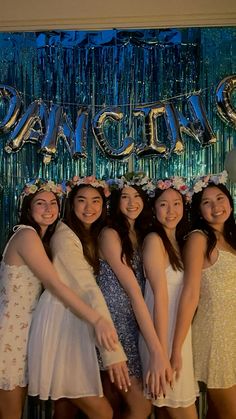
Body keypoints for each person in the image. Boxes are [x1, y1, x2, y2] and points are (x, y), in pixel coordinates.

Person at [28, 176, 130, 419]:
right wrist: (113, 353)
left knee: (65, 408)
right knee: (103, 412)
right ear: (71, 205)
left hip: (74, 321)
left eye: (96, 201)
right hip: (62, 324)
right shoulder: (65, 237)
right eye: (81, 200)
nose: (89, 207)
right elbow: (87, 288)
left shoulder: (88, 235)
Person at [96, 172, 173, 419]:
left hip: (133, 324)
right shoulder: (110, 234)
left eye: (137, 196)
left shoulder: (141, 235)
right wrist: (157, 351)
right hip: (114, 327)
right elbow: (132, 291)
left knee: (118, 406)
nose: (132, 202)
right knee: (139, 405)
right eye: (125, 197)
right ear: (116, 202)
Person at [170, 170, 236, 419]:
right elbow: (190, 294)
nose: (215, 206)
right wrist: (176, 348)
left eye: (219, 198)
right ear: (199, 211)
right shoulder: (199, 239)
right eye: (206, 202)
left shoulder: (231, 237)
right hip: (215, 337)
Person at [139, 177, 198, 419]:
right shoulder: (154, 241)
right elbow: (160, 299)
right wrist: (162, 353)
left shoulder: (179, 243)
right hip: (163, 337)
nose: (171, 210)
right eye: (164, 204)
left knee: (167, 411)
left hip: (179, 338)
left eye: (176, 203)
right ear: (154, 209)